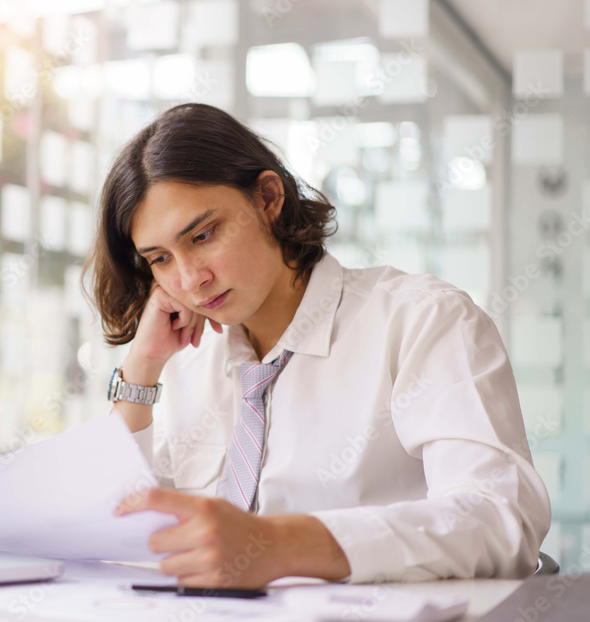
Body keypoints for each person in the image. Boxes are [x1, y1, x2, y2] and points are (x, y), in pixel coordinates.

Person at [82, 103, 551, 589]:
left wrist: (284, 544)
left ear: (268, 198)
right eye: (160, 259)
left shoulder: (421, 321)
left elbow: (500, 518)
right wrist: (142, 368)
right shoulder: (186, 360)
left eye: (203, 235)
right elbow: (112, 533)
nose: (190, 280)